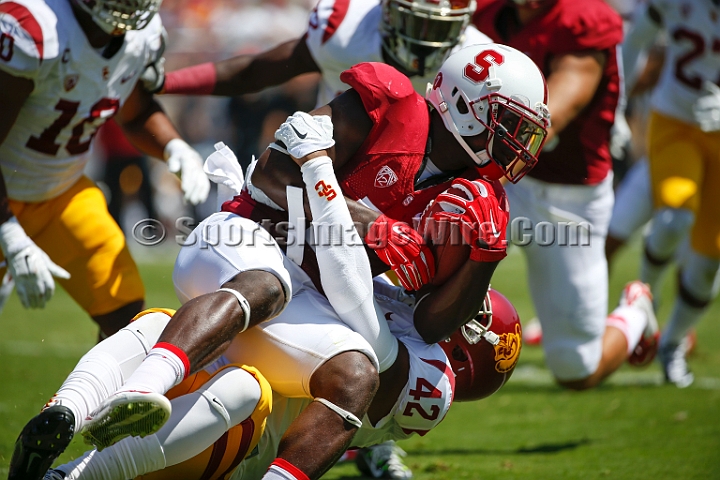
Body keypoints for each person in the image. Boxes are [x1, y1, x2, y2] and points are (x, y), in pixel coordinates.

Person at [28, 44, 550, 480]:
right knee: (267, 286)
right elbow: (273, 175)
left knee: (338, 376)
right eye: (507, 122)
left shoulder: (475, 197)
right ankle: (137, 390)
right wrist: (360, 219)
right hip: (252, 236)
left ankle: (72, 460)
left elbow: (424, 319)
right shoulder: (389, 105)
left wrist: (483, 253)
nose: (516, 143)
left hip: (312, 296)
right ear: (465, 103)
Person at [41, 287, 522, 480]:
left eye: (468, 312)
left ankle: (74, 476)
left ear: (464, 351)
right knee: (166, 326)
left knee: (246, 389)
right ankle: (66, 409)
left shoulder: (429, 384)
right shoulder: (412, 342)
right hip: (203, 415)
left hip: (234, 447)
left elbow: (361, 318)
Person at [473, 0, 662, 389]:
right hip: (501, 183)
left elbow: (547, 119)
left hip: (566, 201)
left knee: (576, 368)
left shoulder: (582, 20)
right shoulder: (486, 14)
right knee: (418, 265)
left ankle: (634, 313)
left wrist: (475, 180)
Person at [0, 0, 211, 338]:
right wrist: (9, 233)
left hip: (61, 192)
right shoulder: (35, 28)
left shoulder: (142, 35)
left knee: (126, 315)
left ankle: (87, 393)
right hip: (5, 194)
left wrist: (174, 145)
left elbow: (135, 110)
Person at [621, 0, 720, 388]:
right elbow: (634, 42)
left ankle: (673, 342)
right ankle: (644, 296)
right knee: (673, 216)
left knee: (710, 258)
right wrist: (618, 103)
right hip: (676, 121)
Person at [149, 0, 490, 104]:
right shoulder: (345, 32)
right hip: (334, 181)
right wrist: (164, 82)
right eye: (416, 23)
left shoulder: (478, 61)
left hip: (423, 191)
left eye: (440, 27)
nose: (425, 40)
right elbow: (256, 71)